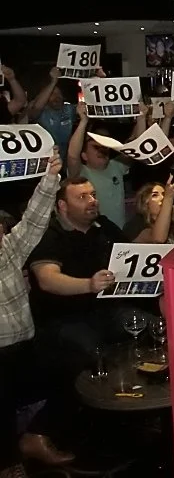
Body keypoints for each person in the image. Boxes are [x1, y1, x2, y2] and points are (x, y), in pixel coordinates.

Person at [0, 150, 73, 473]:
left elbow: (33, 220)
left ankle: (34, 438)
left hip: (24, 344)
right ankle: (9, 465)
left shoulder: (10, 249)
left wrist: (50, 177)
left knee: (71, 373)